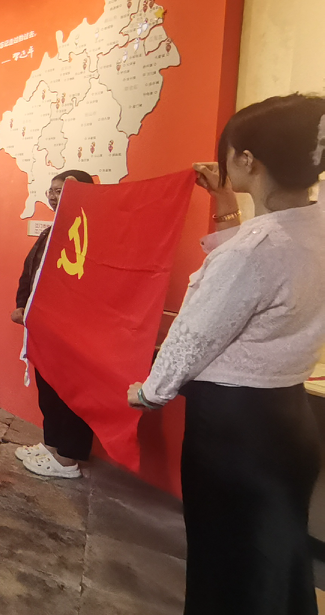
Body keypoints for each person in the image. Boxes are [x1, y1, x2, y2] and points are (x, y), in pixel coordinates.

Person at [126, 95, 325, 615]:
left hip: (236, 433)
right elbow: (258, 275)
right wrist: (224, 202)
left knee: (225, 562)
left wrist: (149, 392)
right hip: (289, 419)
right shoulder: (314, 227)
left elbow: (194, 336)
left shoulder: (253, 251)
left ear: (247, 159)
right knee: (273, 559)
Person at [10, 169, 97, 479]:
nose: (53, 196)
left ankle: (67, 459)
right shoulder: (50, 232)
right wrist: (22, 305)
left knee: (71, 393)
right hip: (46, 328)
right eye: (51, 190)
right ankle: (52, 446)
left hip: (75, 333)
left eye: (61, 191)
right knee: (48, 391)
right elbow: (29, 271)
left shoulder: (92, 234)